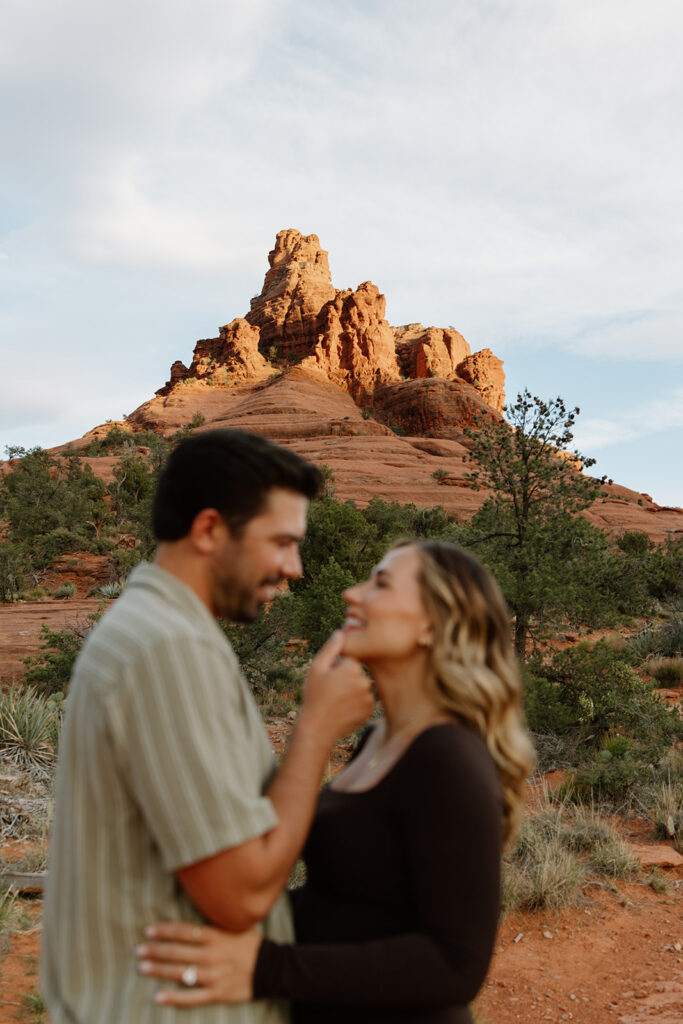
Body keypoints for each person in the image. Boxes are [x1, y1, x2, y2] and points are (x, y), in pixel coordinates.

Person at [41, 429, 374, 1024]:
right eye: (282, 542)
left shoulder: (161, 631)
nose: (294, 568)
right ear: (210, 530)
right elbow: (240, 895)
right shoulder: (167, 649)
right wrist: (317, 729)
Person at [135, 539, 536, 1023]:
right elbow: (346, 902)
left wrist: (267, 966)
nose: (352, 593)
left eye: (380, 584)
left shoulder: (446, 756)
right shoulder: (377, 741)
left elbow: (457, 965)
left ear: (432, 624)